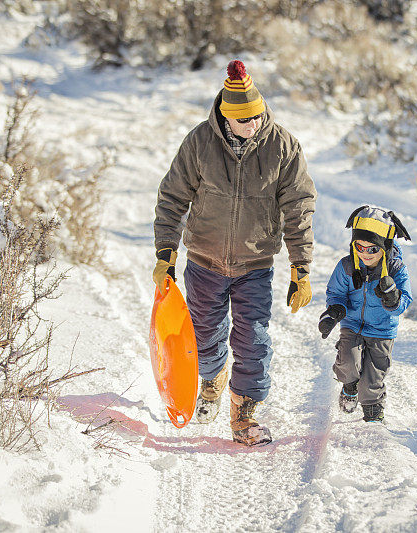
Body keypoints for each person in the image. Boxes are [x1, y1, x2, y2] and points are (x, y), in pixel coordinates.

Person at [153, 60, 316, 446]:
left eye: (258, 117)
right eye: (245, 120)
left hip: (255, 265)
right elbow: (173, 198)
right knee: (205, 338)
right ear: (227, 117)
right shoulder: (200, 143)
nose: (254, 125)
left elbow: (299, 209)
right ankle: (211, 380)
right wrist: (165, 253)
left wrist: (301, 267)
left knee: (253, 340)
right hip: (205, 262)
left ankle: (244, 415)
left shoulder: (283, 147)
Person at [318, 205, 412, 422]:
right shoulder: (347, 266)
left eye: (372, 249)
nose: (364, 253)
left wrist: (393, 300)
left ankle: (373, 409)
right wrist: (335, 310)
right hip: (352, 324)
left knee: (373, 376)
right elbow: (336, 292)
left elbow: (405, 300)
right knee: (348, 362)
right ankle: (349, 387)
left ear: (384, 248)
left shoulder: (397, 269)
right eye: (359, 247)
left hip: (382, 330)